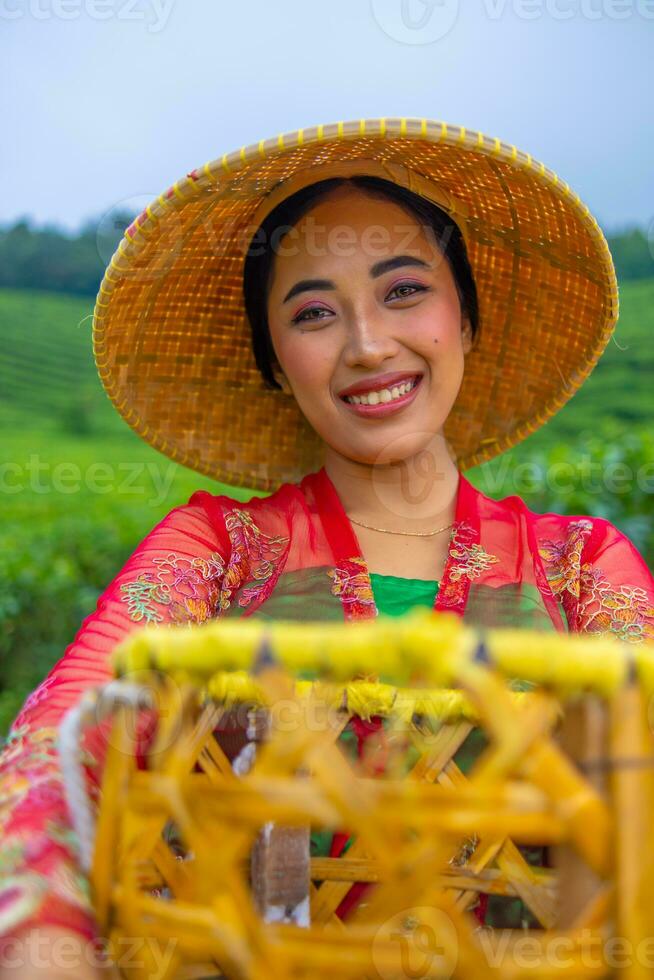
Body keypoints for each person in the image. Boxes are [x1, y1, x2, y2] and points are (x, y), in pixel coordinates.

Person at [1, 117, 652, 977]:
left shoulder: (575, 568)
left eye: (405, 290)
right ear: (276, 361)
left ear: (467, 319)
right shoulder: (220, 552)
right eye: (313, 312)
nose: (369, 345)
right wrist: (44, 939)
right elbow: (65, 736)